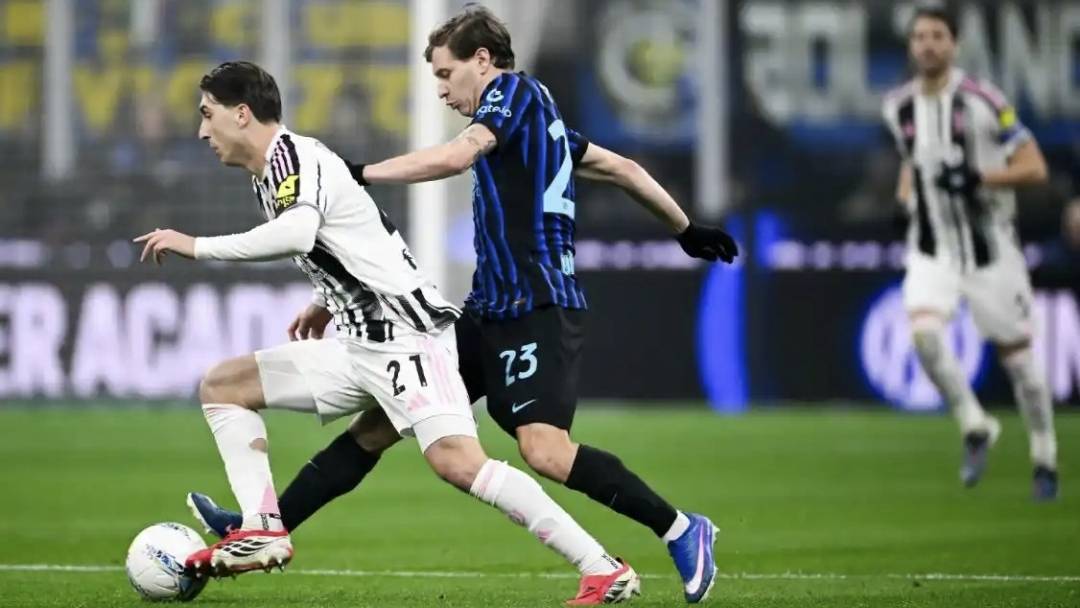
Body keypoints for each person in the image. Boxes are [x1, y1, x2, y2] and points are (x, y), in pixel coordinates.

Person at [187, 5, 737, 604]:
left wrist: (360, 173)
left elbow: (457, 156)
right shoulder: (541, 122)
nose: (443, 91)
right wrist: (685, 228)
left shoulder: (513, 95)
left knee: (543, 449)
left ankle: (679, 528)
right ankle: (265, 527)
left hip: (536, 305)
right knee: (375, 428)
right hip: (487, 311)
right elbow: (620, 167)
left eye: (446, 75)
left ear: (483, 60)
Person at [135, 60, 643, 605]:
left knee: (458, 462)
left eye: (207, 114)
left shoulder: (292, 157)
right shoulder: (274, 171)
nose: (202, 130)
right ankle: (263, 528)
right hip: (361, 343)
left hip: (407, 338)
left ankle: (602, 567)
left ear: (241, 114)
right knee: (223, 386)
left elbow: (298, 233)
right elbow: (358, 234)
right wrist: (323, 300)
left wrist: (195, 245)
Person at [882, 6, 1057, 499]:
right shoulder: (897, 106)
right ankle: (975, 423)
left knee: (1020, 363)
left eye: (937, 36)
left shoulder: (985, 100)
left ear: (955, 44)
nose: (928, 45)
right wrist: (903, 200)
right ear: (911, 46)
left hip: (989, 250)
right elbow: (913, 161)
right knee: (924, 334)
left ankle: (1044, 454)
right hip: (931, 246)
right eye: (920, 36)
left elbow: (1034, 166)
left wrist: (981, 177)